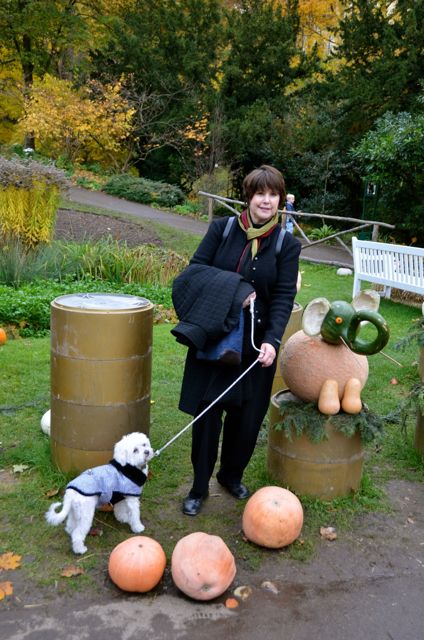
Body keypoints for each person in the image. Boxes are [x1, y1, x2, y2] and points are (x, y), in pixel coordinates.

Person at [172, 165, 301, 516]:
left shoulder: (286, 244)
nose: (266, 200)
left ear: (280, 199)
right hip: (217, 336)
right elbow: (195, 272)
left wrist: (273, 340)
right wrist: (238, 291)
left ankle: (230, 475)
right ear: (249, 196)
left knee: (247, 418)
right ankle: (199, 487)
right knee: (208, 414)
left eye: (273, 194)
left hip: (257, 343)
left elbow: (283, 297)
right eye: (260, 193)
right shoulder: (222, 229)